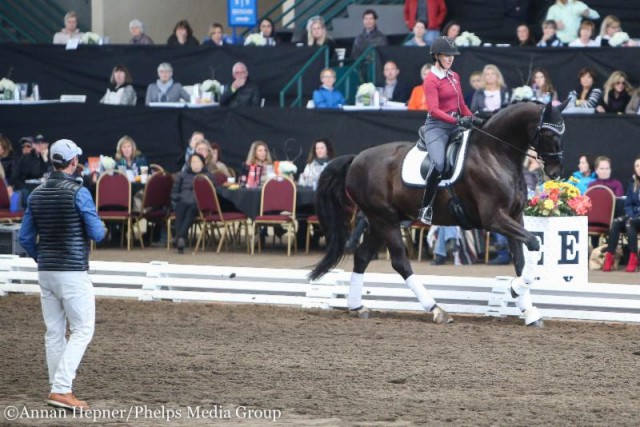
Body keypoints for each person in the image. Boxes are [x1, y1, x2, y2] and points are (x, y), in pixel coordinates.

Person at [18, 138, 105, 410]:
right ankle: (61, 388)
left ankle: (57, 387)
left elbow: (25, 238)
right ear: (74, 162)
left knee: (54, 332)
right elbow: (97, 233)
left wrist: (41, 257)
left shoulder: (36, 194)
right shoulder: (79, 192)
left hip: (46, 270)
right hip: (72, 269)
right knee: (82, 329)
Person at [417, 36, 478, 224]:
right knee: (439, 164)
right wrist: (456, 119)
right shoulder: (431, 79)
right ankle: (425, 207)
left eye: (452, 55)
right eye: (446, 55)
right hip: (437, 127)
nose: (450, 58)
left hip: (456, 124)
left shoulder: (454, 76)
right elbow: (434, 110)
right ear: (436, 56)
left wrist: (473, 118)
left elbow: (461, 103)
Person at [602, 155, 640, 272]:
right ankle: (610, 256)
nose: (639, 168)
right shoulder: (633, 182)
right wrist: (631, 214)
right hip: (634, 216)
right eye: (637, 166)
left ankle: (633, 258)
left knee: (630, 223)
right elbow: (628, 204)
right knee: (616, 222)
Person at [171, 153, 212, 254]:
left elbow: (212, 193)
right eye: (193, 162)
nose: (196, 164)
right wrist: (177, 199)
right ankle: (181, 238)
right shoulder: (182, 175)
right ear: (189, 164)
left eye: (198, 162)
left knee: (191, 210)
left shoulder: (208, 176)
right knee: (180, 207)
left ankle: (179, 236)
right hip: (183, 200)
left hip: (199, 204)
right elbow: (174, 192)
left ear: (203, 164)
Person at [10, 137, 49, 206]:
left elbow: (48, 175)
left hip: (42, 188)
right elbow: (15, 177)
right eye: (37, 143)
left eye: (42, 143)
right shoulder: (23, 159)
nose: (39, 145)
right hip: (28, 188)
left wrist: (45, 159)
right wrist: (24, 187)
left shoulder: (47, 158)